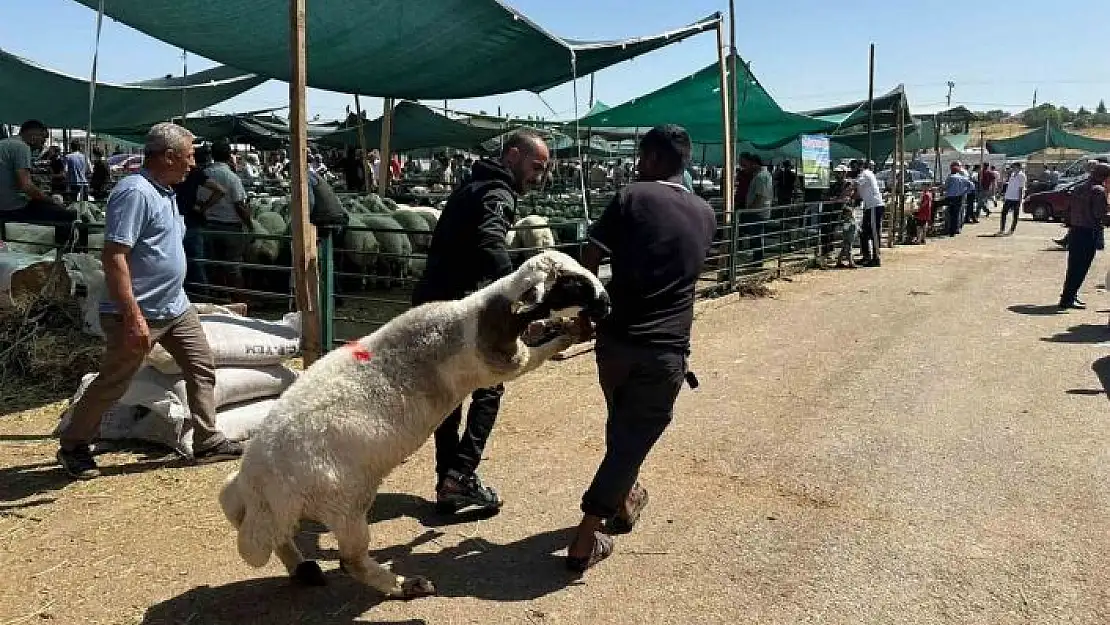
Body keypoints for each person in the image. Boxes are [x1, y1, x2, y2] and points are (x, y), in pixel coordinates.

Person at [566, 124, 715, 573]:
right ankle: (585, 537)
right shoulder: (707, 213)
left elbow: (588, 258)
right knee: (631, 439)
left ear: (651, 159)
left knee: (623, 427)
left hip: (616, 341)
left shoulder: (631, 197)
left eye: (640, 155)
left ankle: (626, 501)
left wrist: (586, 313)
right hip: (665, 347)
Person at [55, 123, 243, 479]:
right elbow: (114, 256)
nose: (192, 164)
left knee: (201, 366)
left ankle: (207, 440)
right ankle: (74, 445)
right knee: (115, 381)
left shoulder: (167, 192)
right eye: (188, 156)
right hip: (140, 311)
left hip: (175, 306)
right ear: (168, 156)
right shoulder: (135, 192)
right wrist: (132, 315)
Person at [411, 130, 550, 514]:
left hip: (432, 306)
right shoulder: (497, 193)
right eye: (536, 167)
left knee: (451, 391)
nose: (539, 176)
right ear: (512, 156)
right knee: (492, 383)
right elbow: (491, 239)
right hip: (458, 308)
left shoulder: (472, 185)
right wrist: (519, 295)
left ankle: (447, 478)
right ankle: (460, 475)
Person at [0, 120, 86, 250]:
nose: (44, 143)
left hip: (4, 204)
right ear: (34, 135)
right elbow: (26, 186)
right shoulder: (21, 147)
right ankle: (69, 256)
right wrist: (51, 200)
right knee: (69, 215)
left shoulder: (4, 144)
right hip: (12, 207)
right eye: (44, 138)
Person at [199, 141, 250, 292]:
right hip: (230, 227)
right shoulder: (232, 177)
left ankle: (219, 297)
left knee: (214, 264)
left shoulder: (204, 175)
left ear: (212, 155)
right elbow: (239, 204)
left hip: (209, 226)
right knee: (233, 266)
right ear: (229, 156)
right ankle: (238, 298)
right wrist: (249, 223)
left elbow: (199, 200)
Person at [173, 145, 225, 293]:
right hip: (191, 221)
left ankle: (186, 292)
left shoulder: (170, 174)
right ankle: (203, 295)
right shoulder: (196, 173)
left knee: (178, 261)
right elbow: (220, 191)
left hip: (175, 220)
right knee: (196, 261)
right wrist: (202, 207)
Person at [1058, 162, 1110, 310]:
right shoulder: (1098, 191)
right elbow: (1100, 214)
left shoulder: (1079, 187)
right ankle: (1069, 298)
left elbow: (1068, 208)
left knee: (1073, 266)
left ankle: (1067, 296)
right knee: (1082, 267)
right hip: (1089, 231)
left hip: (1075, 230)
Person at [850, 159, 884, 267]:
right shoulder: (862, 177)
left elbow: (853, 185)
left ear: (860, 167)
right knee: (863, 232)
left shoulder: (865, 174)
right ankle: (866, 257)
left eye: (854, 167)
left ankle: (876, 258)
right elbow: (858, 195)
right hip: (868, 207)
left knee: (874, 233)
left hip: (874, 206)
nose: (852, 170)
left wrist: (846, 184)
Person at [941, 161, 974, 236]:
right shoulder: (962, 176)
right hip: (959, 197)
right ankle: (955, 230)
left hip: (951, 197)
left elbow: (945, 187)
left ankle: (951, 229)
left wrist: (941, 189)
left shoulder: (951, 177)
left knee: (951, 213)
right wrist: (965, 192)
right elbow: (971, 185)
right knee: (956, 214)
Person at [999, 162, 1027, 236]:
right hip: (1009, 197)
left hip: (1016, 198)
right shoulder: (1012, 175)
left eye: (1014, 167)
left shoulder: (1022, 175)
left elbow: (1021, 188)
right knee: (1003, 213)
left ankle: (1011, 230)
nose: (1013, 168)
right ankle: (1002, 230)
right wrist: (1005, 196)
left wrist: (1020, 199)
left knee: (1015, 215)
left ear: (1018, 167)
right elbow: (1010, 186)